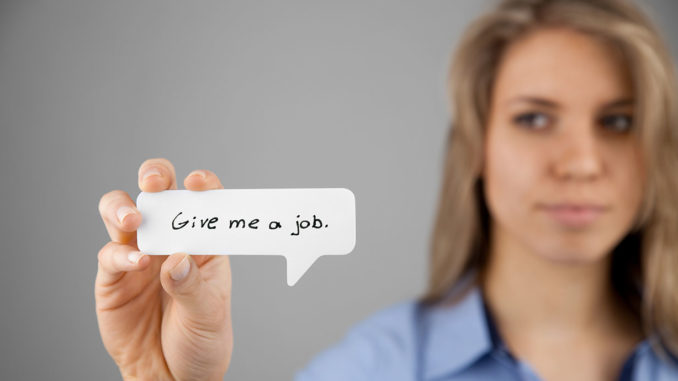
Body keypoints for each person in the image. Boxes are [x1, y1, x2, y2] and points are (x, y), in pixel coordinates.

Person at [95, 0, 678, 380]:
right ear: (474, 145)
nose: (581, 162)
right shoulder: (371, 368)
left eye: (619, 122)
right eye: (533, 118)